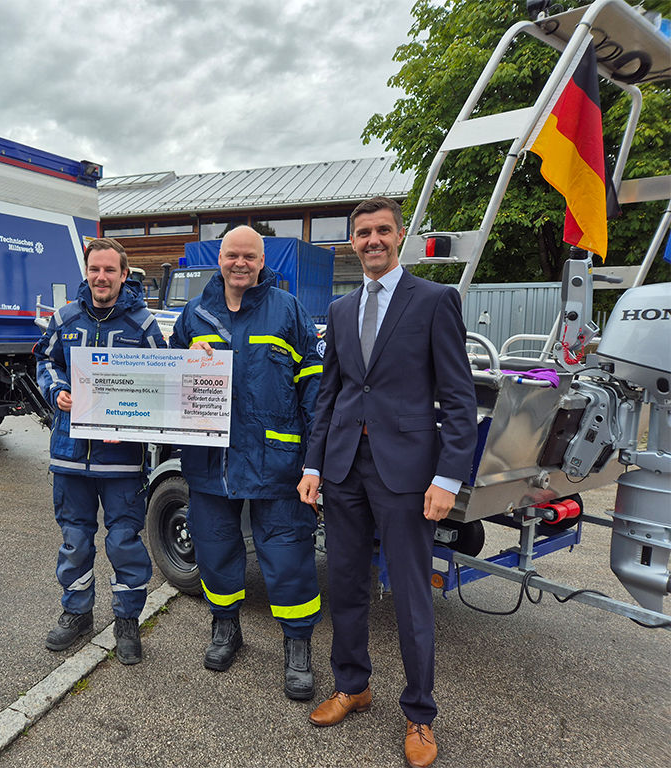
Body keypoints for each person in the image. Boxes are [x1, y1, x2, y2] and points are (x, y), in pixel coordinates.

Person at [297, 197, 477, 768]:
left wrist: (448, 475)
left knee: (410, 595)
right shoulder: (341, 308)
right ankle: (353, 684)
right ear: (351, 242)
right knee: (346, 582)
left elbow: (458, 397)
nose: (372, 240)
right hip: (346, 466)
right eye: (361, 233)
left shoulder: (434, 301)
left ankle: (419, 716)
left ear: (400, 236)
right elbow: (332, 394)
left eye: (381, 231)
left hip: (407, 473)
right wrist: (312, 465)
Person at [170, 225, 323, 700]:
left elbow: (314, 392)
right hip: (209, 463)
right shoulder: (194, 314)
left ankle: (297, 647)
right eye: (232, 255)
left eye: (249, 256)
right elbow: (165, 383)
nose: (240, 263)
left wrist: (315, 464)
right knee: (215, 550)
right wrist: (183, 358)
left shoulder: (289, 311)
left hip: (277, 464)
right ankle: (225, 628)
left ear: (262, 261)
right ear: (219, 259)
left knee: (288, 557)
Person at [35, 237, 166, 665]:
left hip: (121, 459)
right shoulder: (65, 318)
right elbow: (45, 362)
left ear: (124, 275)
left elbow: (162, 383)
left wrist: (134, 421)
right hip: (70, 452)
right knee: (75, 539)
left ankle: (127, 621)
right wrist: (57, 390)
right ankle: (77, 613)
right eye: (95, 269)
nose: (101, 277)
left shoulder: (143, 326)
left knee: (125, 540)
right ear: (86, 271)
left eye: (110, 270)